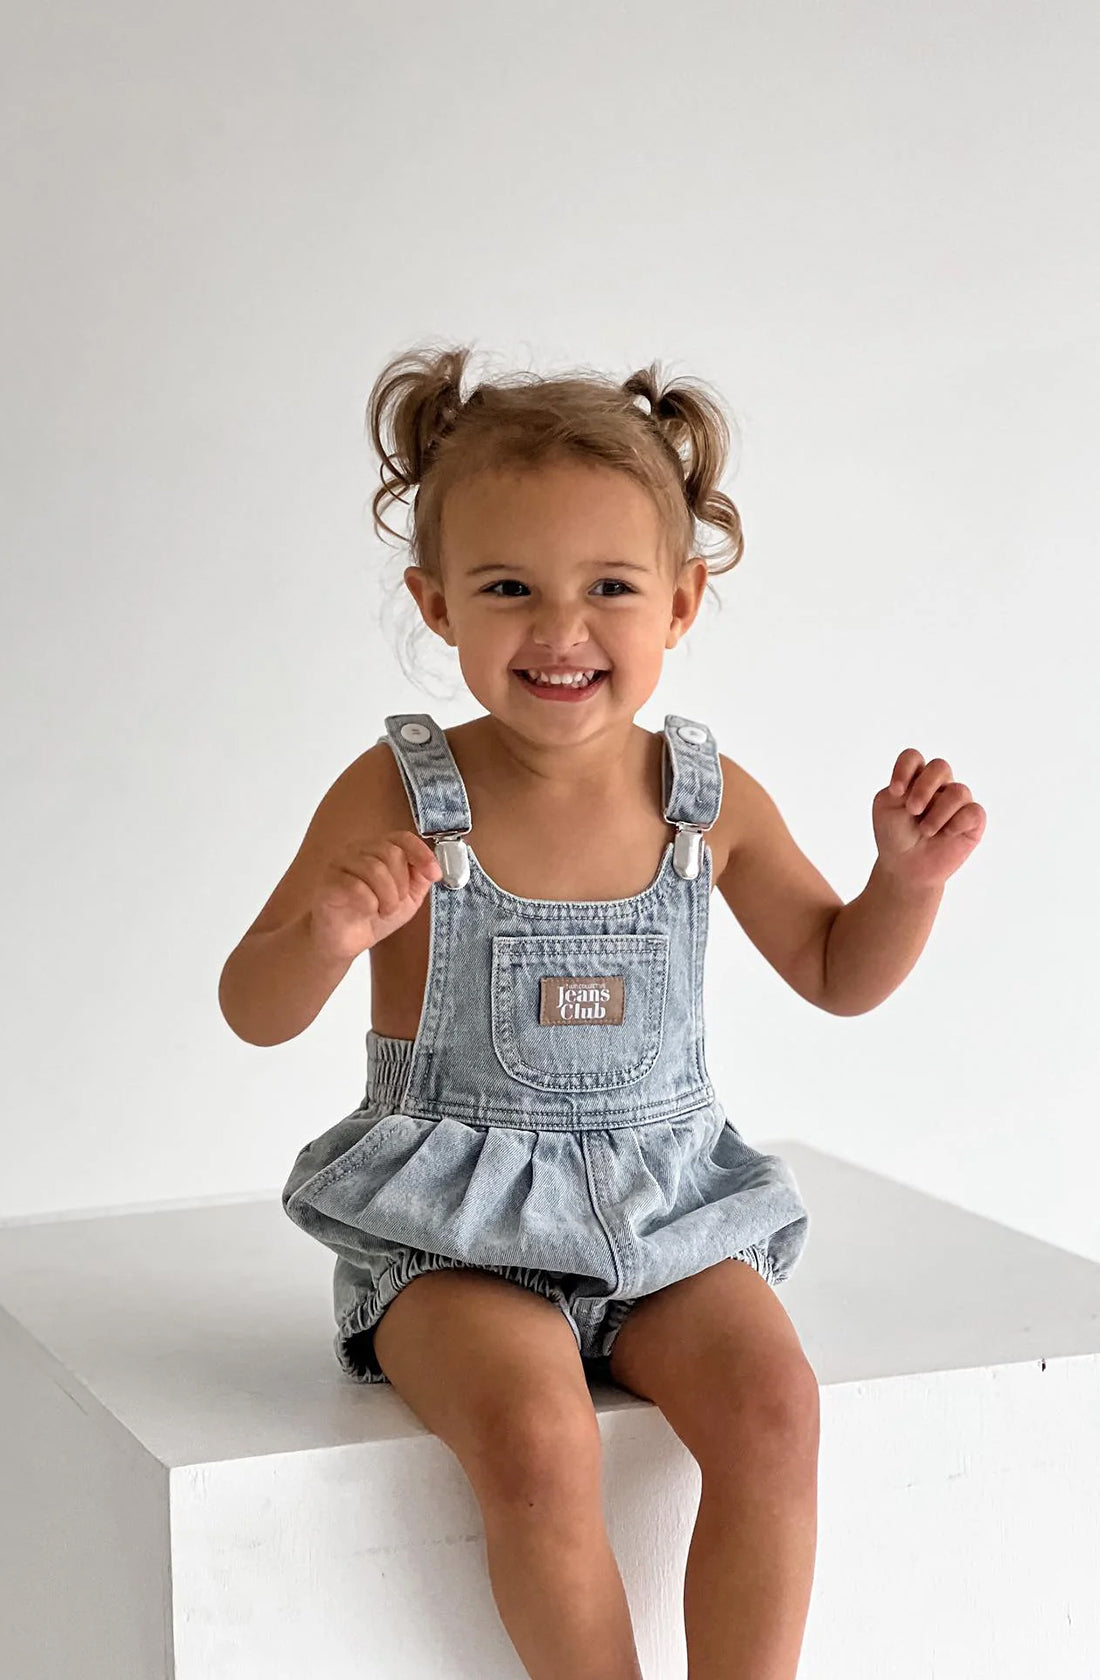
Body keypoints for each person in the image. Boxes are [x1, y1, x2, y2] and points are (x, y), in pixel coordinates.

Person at [218, 343, 986, 1680]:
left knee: (774, 1406)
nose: (559, 630)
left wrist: (902, 887)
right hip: (451, 1236)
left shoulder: (706, 797)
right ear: (437, 604)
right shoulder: (401, 789)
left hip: (667, 1211)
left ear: (681, 604)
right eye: (507, 588)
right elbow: (252, 1004)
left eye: (610, 589)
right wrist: (327, 932)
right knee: (536, 1431)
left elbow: (834, 970)